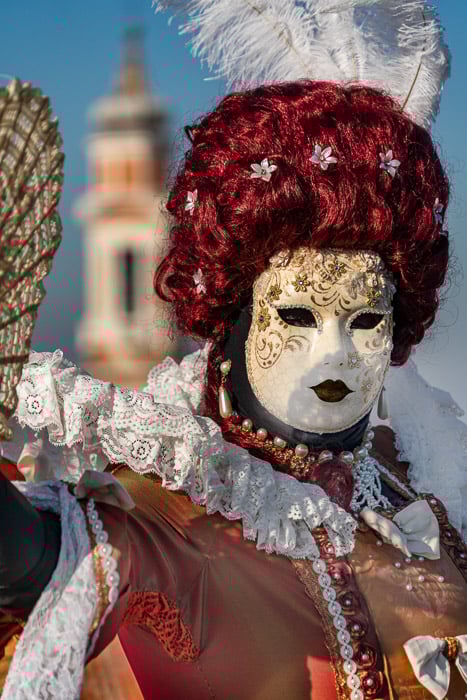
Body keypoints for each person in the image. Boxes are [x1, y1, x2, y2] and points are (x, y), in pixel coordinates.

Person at [0, 4, 466, 700]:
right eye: (298, 316)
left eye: (367, 320)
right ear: (232, 315)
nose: (335, 354)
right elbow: (26, 559)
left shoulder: (432, 483)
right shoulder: (167, 514)